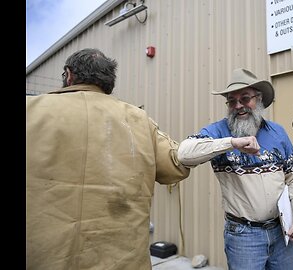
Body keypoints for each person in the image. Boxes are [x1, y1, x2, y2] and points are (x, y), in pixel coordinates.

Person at [26, 48, 190, 269]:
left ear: (69, 74)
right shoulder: (138, 119)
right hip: (122, 262)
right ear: (109, 82)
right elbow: (174, 168)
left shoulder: (31, 110)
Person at [177, 68, 293, 270]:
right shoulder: (219, 131)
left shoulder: (278, 132)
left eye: (245, 98)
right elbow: (184, 153)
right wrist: (232, 142)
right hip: (243, 235)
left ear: (259, 99)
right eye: (232, 101)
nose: (239, 106)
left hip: (281, 230)